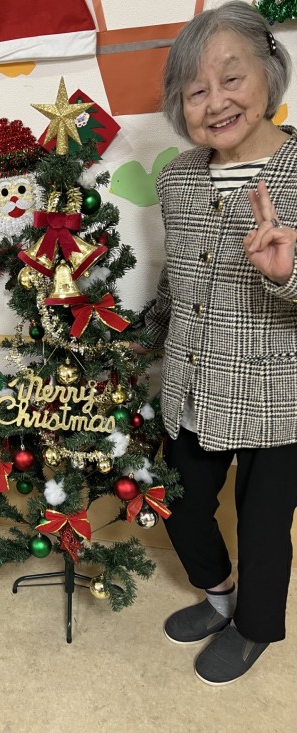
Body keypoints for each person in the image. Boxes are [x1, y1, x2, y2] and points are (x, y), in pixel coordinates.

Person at [138, 2, 297, 686]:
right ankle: (219, 595)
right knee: (176, 498)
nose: (216, 101)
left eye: (232, 78)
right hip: (192, 385)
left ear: (269, 73)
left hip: (279, 394)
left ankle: (254, 627)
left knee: (264, 530)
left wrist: (287, 275)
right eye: (195, 90)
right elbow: (176, 280)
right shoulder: (176, 178)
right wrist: (141, 341)